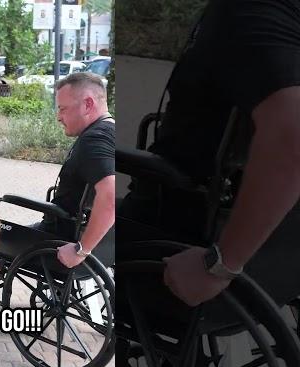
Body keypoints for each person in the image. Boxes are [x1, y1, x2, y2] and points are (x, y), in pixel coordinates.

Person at [120, 0, 300, 306]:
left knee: (99, 237)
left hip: (183, 225)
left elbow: (291, 133)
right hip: (279, 248)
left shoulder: (249, 11)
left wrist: (219, 265)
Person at [33, 72, 115, 268]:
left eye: (63, 109)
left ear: (88, 104)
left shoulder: (94, 140)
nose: (58, 117)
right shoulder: (111, 131)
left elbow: (110, 195)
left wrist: (81, 250)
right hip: (73, 232)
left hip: (58, 239)